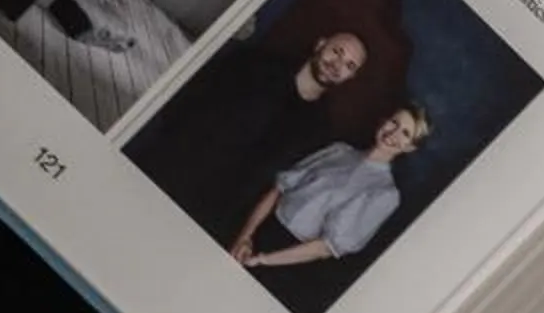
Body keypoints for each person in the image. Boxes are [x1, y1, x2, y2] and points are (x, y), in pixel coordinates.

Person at [126, 30, 369, 237]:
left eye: (349, 65)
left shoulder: (320, 129)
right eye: (337, 51)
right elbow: (192, 96)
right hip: (165, 165)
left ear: (352, 77)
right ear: (320, 44)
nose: (338, 65)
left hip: (205, 211)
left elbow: (274, 184)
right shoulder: (257, 62)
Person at [229, 107, 431, 309]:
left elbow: (325, 248)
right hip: (258, 229)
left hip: (288, 262)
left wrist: (263, 261)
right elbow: (279, 189)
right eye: (394, 122)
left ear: (410, 147)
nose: (394, 133)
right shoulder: (339, 150)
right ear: (384, 120)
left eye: (406, 133)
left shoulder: (385, 194)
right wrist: (246, 236)